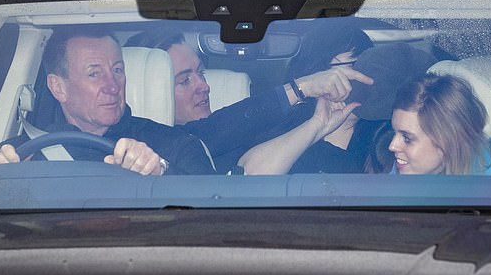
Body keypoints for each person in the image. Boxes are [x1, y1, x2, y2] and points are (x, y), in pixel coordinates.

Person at [124, 24, 375, 173]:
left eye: (201, 72)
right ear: (152, 89)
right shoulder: (135, 152)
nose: (204, 85)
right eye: (184, 80)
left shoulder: (259, 134)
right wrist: (303, 87)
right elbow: (210, 134)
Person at [0, 26, 215, 175]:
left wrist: (162, 171)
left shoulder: (176, 145)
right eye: (94, 73)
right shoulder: (21, 153)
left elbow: (213, 214)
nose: (113, 86)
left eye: (117, 70)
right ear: (58, 87)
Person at [238, 43, 438, 175]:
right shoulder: (288, 124)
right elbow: (247, 176)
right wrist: (316, 126)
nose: (357, 75)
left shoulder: (387, 143)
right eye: (352, 65)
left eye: (365, 64)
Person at [370, 73, 491, 175]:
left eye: (407, 138)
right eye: (394, 132)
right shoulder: (402, 169)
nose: (392, 146)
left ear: (448, 142)